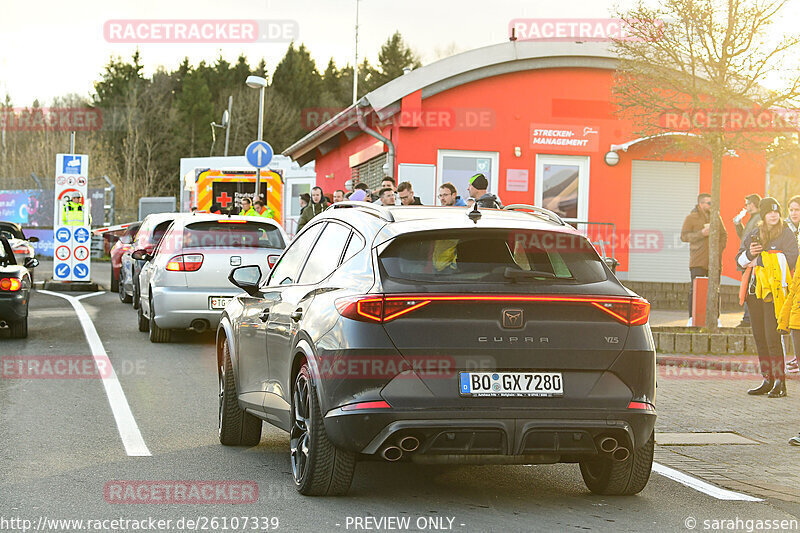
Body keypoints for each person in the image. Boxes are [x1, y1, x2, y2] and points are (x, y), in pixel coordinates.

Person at [737, 198, 797, 398]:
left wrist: (760, 259)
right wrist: (748, 254)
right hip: (754, 293)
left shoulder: (786, 233)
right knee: (760, 337)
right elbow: (739, 260)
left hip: (775, 294)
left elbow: (791, 258)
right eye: (770, 212)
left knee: (773, 338)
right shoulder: (755, 232)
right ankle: (767, 379)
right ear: (763, 215)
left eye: (776, 212)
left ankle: (780, 382)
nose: (774, 215)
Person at [680, 193, 727, 324]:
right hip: (697, 260)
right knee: (695, 290)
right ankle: (692, 318)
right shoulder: (691, 218)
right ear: (701, 204)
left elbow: (724, 235)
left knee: (715, 289)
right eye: (709, 203)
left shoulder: (716, 217)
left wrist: (718, 249)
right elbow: (683, 236)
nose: (711, 206)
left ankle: (715, 318)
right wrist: (701, 234)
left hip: (714, 261)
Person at [734, 193, 762, 327]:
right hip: (747, 258)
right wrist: (738, 225)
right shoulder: (753, 219)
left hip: (750, 260)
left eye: (747, 204)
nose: (745, 207)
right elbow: (745, 238)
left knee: (749, 288)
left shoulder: (758, 219)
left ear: (753, 204)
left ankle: (748, 319)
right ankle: (747, 318)